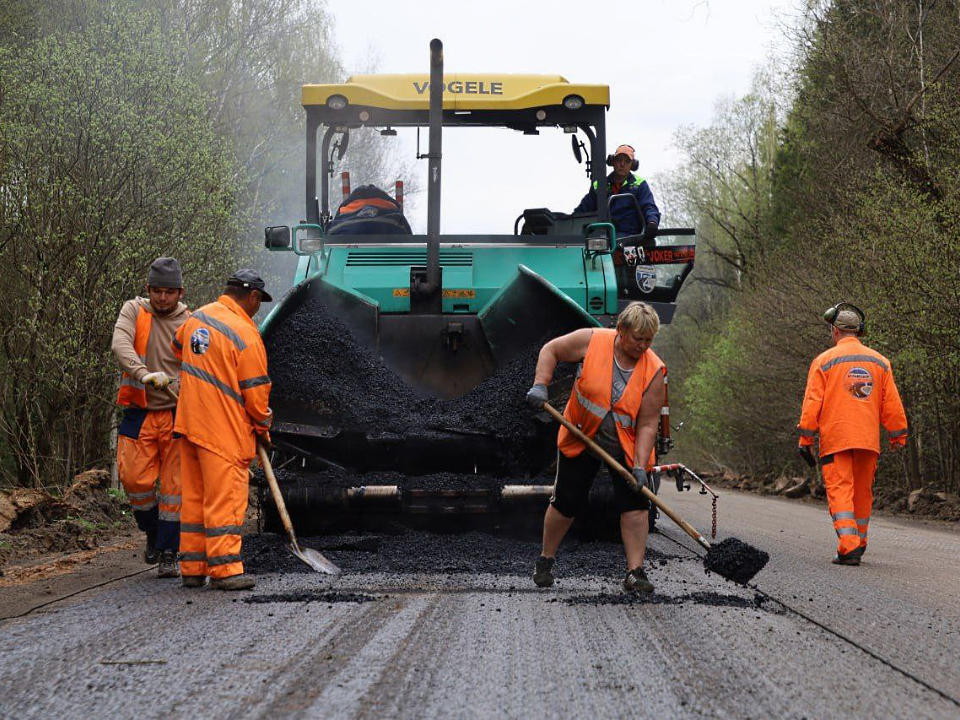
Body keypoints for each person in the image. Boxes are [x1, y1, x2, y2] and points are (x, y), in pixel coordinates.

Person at [525, 301, 665, 593]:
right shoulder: (592, 341)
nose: (643, 346)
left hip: (625, 447)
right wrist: (541, 385)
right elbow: (551, 350)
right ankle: (545, 561)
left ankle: (635, 572)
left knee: (636, 505)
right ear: (621, 331)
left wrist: (640, 466)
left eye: (648, 340)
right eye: (638, 338)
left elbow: (648, 423)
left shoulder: (653, 370)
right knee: (566, 502)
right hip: (580, 435)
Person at [172, 269, 273, 590]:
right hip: (223, 432)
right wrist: (264, 426)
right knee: (224, 500)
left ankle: (192, 568)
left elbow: (179, 348)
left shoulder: (196, 319)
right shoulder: (246, 333)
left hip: (188, 424)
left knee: (194, 500)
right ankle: (226, 569)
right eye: (259, 303)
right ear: (253, 298)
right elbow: (256, 395)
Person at [797, 303, 909, 565]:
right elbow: (891, 402)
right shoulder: (880, 362)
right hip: (867, 440)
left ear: (835, 331)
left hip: (836, 440)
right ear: (859, 332)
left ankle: (849, 547)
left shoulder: (823, 362)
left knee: (840, 492)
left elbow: (812, 402)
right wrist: (897, 435)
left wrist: (805, 439)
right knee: (862, 493)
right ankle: (859, 542)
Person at [112, 257, 189, 578]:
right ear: (147, 290)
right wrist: (144, 374)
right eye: (156, 291)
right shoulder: (134, 310)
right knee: (134, 481)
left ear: (180, 292)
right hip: (139, 412)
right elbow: (120, 344)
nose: (162, 298)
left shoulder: (192, 322)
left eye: (168, 292)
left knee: (174, 489)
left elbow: (200, 365)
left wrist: (178, 383)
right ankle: (153, 533)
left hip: (175, 415)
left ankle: (169, 552)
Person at [574, 144, 661, 239]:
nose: (622, 164)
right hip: (602, 237)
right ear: (613, 162)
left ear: (632, 165)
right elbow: (583, 211)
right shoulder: (599, 186)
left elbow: (649, 206)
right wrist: (570, 222)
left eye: (627, 161)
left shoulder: (639, 185)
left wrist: (652, 222)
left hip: (631, 237)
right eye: (619, 160)